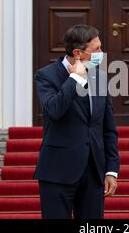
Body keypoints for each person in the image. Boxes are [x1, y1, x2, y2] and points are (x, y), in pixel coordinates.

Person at [34, 25, 120, 219]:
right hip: (58, 171)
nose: (101, 53)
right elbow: (54, 110)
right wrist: (74, 78)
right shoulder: (46, 76)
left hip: (93, 172)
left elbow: (107, 127)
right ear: (77, 53)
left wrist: (111, 170)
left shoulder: (100, 78)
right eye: (96, 49)